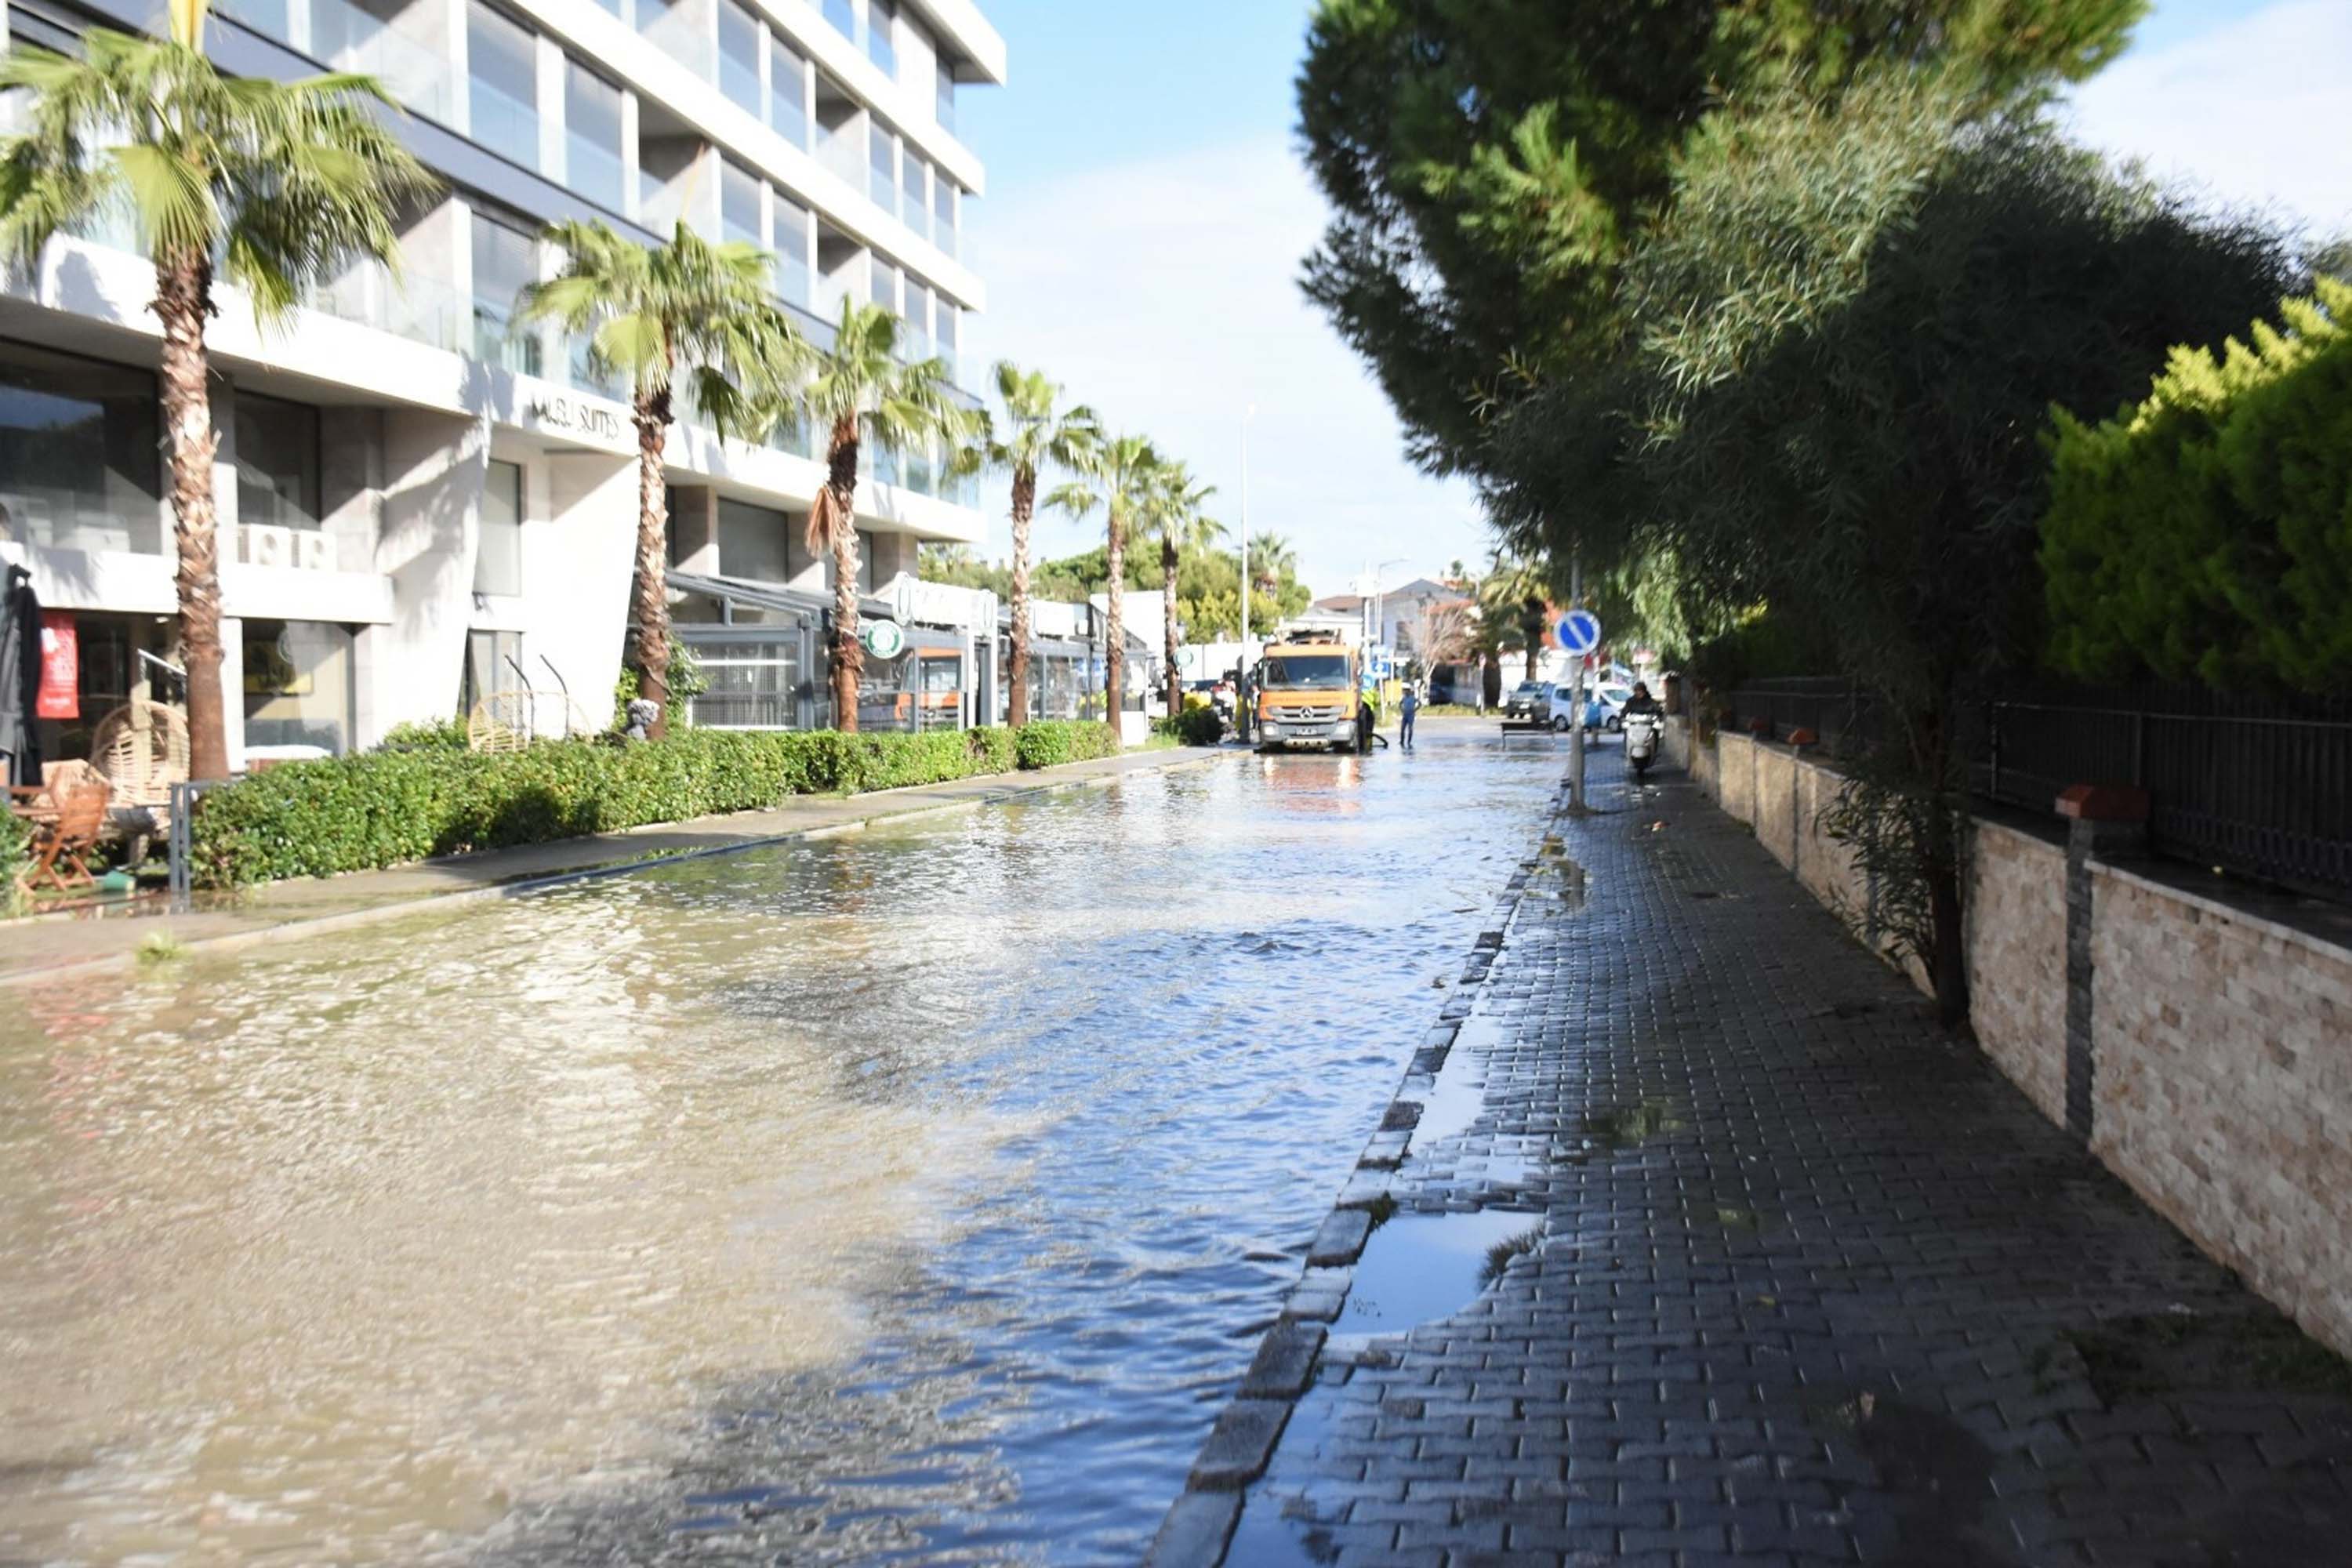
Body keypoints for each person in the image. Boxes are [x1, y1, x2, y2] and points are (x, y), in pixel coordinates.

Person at [1399, 681, 1420, 751]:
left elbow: (1419, 703)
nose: (1406, 692)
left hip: (1411, 715)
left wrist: (1415, 710)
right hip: (1405, 714)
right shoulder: (1404, 698)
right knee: (1402, 729)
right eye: (1405, 691)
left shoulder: (1412, 698)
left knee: (1410, 729)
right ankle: (1402, 741)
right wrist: (1402, 710)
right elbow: (1400, 704)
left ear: (1409, 691)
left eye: (1407, 691)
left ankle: (1409, 742)